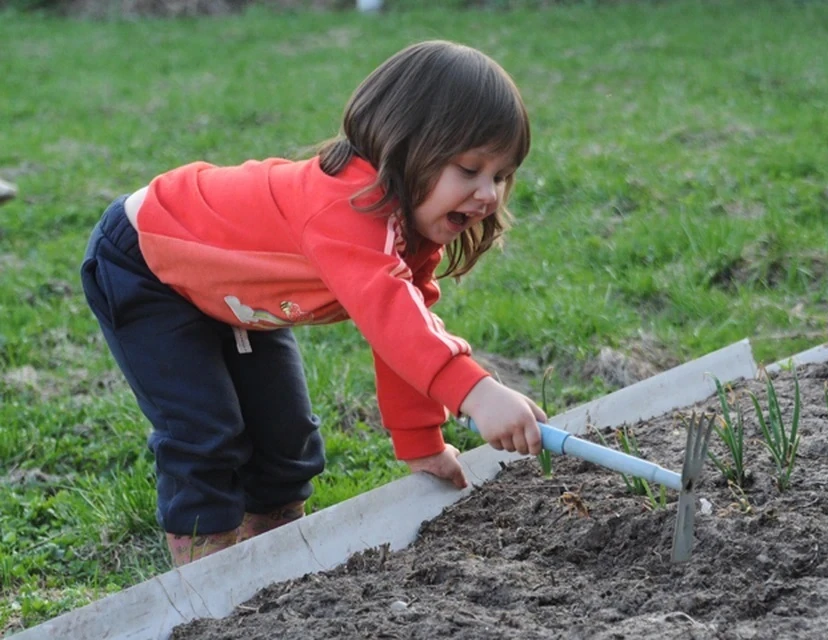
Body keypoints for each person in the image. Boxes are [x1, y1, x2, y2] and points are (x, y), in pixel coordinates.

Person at [80, 40, 547, 566]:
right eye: (470, 169)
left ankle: (274, 564)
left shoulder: (410, 232)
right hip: (148, 264)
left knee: (287, 441)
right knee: (206, 434)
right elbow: (392, 317)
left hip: (239, 294)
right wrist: (477, 394)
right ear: (408, 145)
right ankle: (205, 582)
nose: (488, 193)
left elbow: (401, 331)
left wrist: (422, 442)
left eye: (501, 176)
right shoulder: (343, 208)